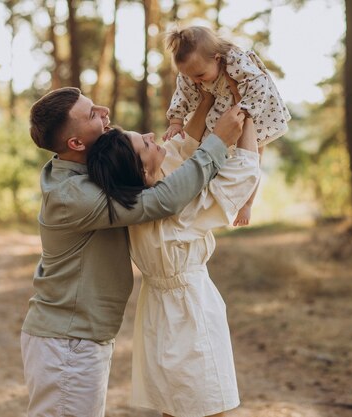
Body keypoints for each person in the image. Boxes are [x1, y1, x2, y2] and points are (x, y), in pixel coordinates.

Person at [20, 86, 245, 417]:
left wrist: (204, 104)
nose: (103, 109)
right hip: (68, 340)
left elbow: (165, 156)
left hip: (77, 337)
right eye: (91, 113)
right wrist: (217, 143)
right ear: (76, 143)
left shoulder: (88, 173)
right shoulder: (74, 195)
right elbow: (161, 200)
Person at [87, 86, 260, 417]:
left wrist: (206, 102)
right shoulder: (176, 211)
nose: (155, 137)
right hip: (189, 309)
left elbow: (180, 150)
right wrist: (246, 113)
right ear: (143, 170)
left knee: (175, 404)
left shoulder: (135, 200)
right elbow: (242, 177)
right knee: (207, 406)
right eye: (147, 143)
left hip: (157, 310)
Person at [162, 25, 291, 227]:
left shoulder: (236, 60)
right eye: (190, 76)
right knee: (208, 150)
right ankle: (211, 194)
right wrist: (176, 121)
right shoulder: (192, 72)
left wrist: (246, 109)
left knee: (253, 156)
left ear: (217, 58)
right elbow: (182, 95)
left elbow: (259, 83)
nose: (195, 81)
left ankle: (247, 203)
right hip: (220, 113)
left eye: (200, 76)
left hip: (253, 109)